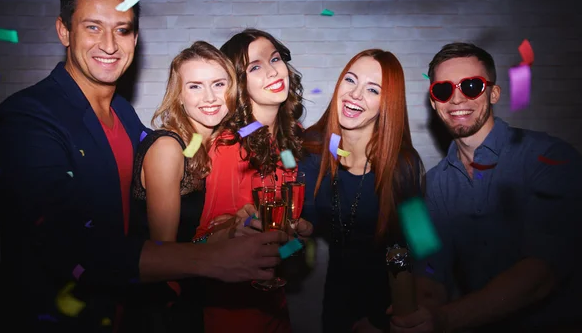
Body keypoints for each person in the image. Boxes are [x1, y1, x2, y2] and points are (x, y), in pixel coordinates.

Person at [0, 0, 287, 333]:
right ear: (64, 31)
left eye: (123, 29)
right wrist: (208, 257)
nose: (110, 44)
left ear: (135, 37)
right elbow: (63, 242)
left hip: (126, 312)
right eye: (93, 27)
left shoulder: (125, 115)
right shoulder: (28, 116)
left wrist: (225, 230)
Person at [390, 43, 582, 333]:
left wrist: (445, 320)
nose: (456, 99)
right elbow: (429, 273)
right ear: (433, 102)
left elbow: (541, 273)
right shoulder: (430, 186)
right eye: (442, 90)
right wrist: (413, 318)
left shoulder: (551, 158)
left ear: (494, 93)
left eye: (471, 85)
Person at [124, 41, 252, 332]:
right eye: (195, 86)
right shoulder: (168, 147)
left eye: (219, 84)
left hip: (194, 294)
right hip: (162, 306)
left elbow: (195, 237)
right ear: (179, 96)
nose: (210, 97)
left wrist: (232, 228)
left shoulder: (203, 146)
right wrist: (222, 236)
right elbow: (165, 254)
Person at [195, 29, 312, 333]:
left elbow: (283, 248)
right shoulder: (230, 145)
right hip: (233, 312)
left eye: (275, 59)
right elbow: (203, 241)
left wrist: (297, 236)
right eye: (255, 66)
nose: (273, 70)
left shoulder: (285, 143)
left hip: (274, 303)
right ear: (238, 82)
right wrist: (239, 228)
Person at [299, 49, 424, 333]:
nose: (355, 94)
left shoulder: (403, 163)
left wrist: (386, 319)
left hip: (389, 303)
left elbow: (416, 244)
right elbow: (305, 222)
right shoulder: (313, 148)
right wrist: (293, 232)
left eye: (372, 89)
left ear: (386, 103)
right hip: (336, 298)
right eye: (350, 80)